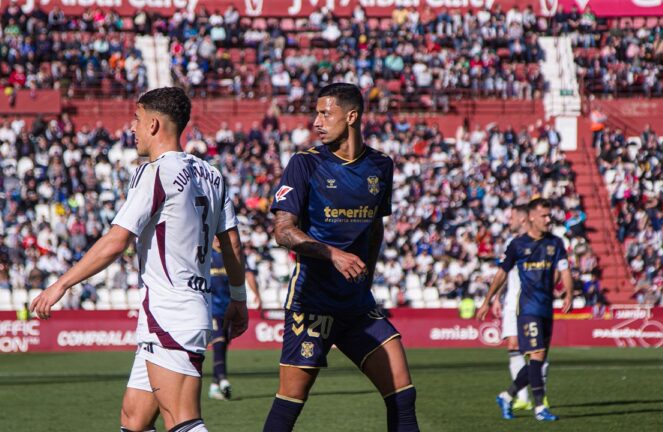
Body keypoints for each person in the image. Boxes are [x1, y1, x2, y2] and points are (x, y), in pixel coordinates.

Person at [30, 87, 249, 432]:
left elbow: (117, 241)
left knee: (183, 420)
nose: (131, 128)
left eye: (137, 119)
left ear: (154, 125)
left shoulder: (154, 173)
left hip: (170, 313)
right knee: (134, 419)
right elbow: (233, 244)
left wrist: (61, 284)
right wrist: (239, 297)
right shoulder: (212, 175)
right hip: (182, 309)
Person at [263, 83, 419, 432]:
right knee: (290, 402)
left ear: (351, 116)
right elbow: (282, 230)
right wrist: (333, 254)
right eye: (316, 112)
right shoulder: (305, 164)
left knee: (403, 395)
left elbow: (376, 227)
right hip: (312, 302)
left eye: (325, 113)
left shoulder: (381, 165)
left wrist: (368, 274)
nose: (316, 121)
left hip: (357, 304)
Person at [477, 197, 573, 422]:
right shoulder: (518, 245)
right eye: (544, 215)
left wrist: (569, 293)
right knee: (536, 356)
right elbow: (501, 274)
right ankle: (540, 407)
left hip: (546, 308)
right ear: (531, 217)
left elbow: (565, 270)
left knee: (536, 362)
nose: (548, 219)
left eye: (550, 215)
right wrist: (488, 300)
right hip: (526, 308)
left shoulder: (555, 243)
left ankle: (506, 396)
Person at [490, 204, 548, 411]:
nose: (509, 221)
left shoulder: (542, 241)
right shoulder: (511, 242)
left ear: (523, 219)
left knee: (537, 351)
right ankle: (522, 398)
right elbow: (504, 272)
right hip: (512, 303)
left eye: (512, 217)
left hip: (532, 302)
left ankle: (540, 396)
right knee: (514, 347)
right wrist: (496, 297)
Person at [208, 237, 262, 401]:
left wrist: (257, 295)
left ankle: (214, 384)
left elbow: (248, 274)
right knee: (219, 341)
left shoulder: (231, 255)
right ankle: (223, 379)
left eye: (220, 235)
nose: (218, 239)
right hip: (211, 308)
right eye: (215, 236)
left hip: (229, 308)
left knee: (224, 344)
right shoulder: (205, 254)